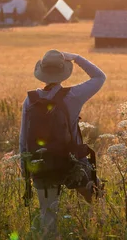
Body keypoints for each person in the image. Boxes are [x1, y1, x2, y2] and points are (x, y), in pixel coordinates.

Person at [19, 50, 106, 237]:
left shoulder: (30, 100)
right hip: (73, 161)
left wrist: (25, 168)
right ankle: (100, 231)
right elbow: (100, 77)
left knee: (48, 217)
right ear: (64, 71)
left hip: (41, 163)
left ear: (41, 71)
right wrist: (77, 58)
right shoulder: (73, 95)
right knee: (97, 198)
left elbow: (23, 139)